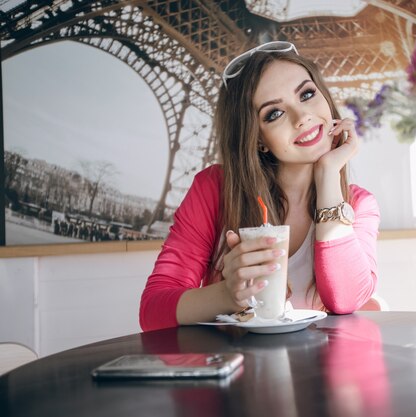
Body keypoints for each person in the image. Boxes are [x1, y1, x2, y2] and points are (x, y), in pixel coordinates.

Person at [139, 41, 380, 331]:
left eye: (306, 94)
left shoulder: (360, 204)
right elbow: (152, 311)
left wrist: (328, 173)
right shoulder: (213, 188)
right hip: (237, 368)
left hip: (321, 370)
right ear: (257, 139)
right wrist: (229, 293)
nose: (302, 117)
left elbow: (345, 299)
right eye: (274, 114)